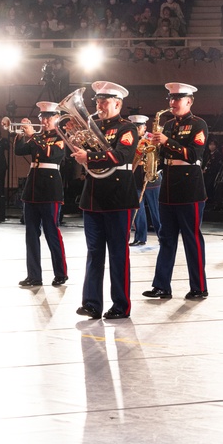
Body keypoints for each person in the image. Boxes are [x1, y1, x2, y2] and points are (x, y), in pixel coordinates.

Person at [71, 82, 140, 320]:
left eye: (105, 101)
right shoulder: (92, 126)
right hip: (93, 196)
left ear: (117, 104)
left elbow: (122, 155)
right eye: (97, 101)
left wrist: (89, 156)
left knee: (118, 254)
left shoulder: (127, 128)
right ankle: (91, 303)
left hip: (118, 196)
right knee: (94, 251)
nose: (99, 105)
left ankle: (121, 305)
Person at [142, 84, 210, 301]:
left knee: (192, 239)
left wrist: (165, 141)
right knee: (166, 239)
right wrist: (150, 148)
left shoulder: (199, 124)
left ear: (189, 101)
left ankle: (199, 287)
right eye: (170, 99)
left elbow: (193, 154)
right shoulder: (168, 125)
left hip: (190, 187)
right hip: (168, 185)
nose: (172, 103)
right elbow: (162, 154)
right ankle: (161, 286)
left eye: (177, 99)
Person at [14, 102, 68, 287]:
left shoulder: (61, 136)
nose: (44, 121)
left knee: (52, 232)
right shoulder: (38, 137)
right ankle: (34, 275)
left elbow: (52, 154)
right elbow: (19, 151)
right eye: (42, 117)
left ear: (56, 118)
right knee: (31, 234)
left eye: (48, 117)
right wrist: (21, 134)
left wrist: (32, 136)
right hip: (32, 189)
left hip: (50, 189)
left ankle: (61, 273)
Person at [129, 114, 162, 246]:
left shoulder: (150, 138)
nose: (138, 129)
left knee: (156, 210)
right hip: (136, 178)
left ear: (144, 127)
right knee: (138, 210)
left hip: (152, 178)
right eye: (135, 127)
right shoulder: (130, 141)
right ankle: (140, 237)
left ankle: (162, 236)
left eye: (140, 127)